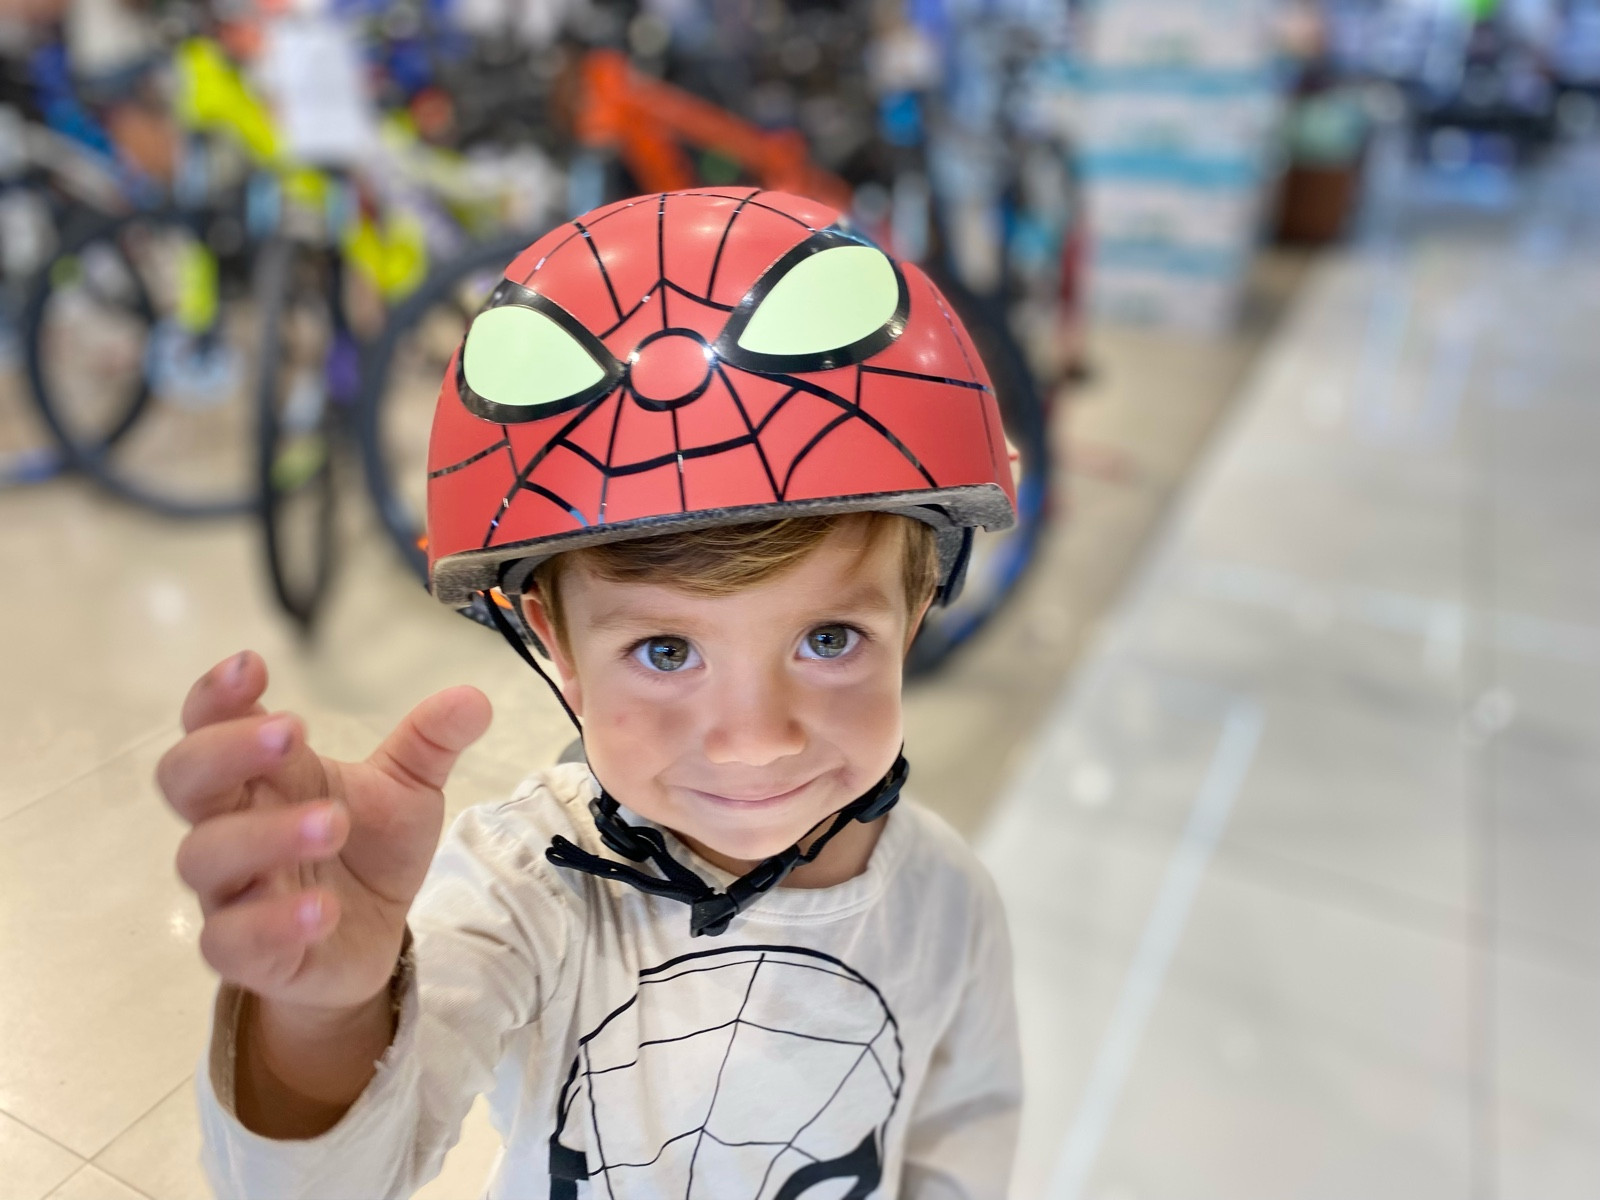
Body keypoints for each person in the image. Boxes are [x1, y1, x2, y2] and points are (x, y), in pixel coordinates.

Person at [160, 187, 1023, 1198]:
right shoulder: (526, 889)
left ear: (912, 619)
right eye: (665, 651)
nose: (753, 740)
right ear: (555, 649)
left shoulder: (949, 901)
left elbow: (959, 1145)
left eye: (828, 640)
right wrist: (326, 1020)